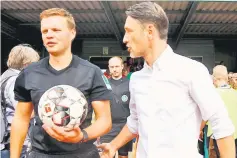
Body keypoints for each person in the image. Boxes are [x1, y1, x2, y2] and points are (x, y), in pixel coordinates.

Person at [98, 2, 235, 158]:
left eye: (129, 31)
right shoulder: (137, 79)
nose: (125, 39)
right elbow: (135, 121)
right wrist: (113, 146)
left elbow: (221, 124)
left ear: (149, 31)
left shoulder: (191, 71)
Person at [10, 8, 112, 158]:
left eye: (56, 30)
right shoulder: (29, 73)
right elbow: (21, 118)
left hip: (81, 153)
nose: (49, 35)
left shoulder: (92, 72)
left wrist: (82, 135)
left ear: (72, 33)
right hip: (41, 154)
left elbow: (105, 120)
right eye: (45, 31)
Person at [1, 44, 40, 158]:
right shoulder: (15, 81)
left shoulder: (5, 77)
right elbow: (25, 112)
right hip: (14, 143)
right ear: (26, 64)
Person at [100, 57, 132, 158]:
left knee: (123, 156)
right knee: (108, 155)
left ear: (122, 66)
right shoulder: (103, 85)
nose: (115, 69)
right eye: (112, 67)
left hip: (124, 126)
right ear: (109, 68)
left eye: (117, 66)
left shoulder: (130, 84)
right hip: (107, 127)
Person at [208, 65, 237, 157]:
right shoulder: (235, 93)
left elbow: (205, 116)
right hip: (234, 135)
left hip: (215, 135)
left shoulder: (212, 95)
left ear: (215, 79)